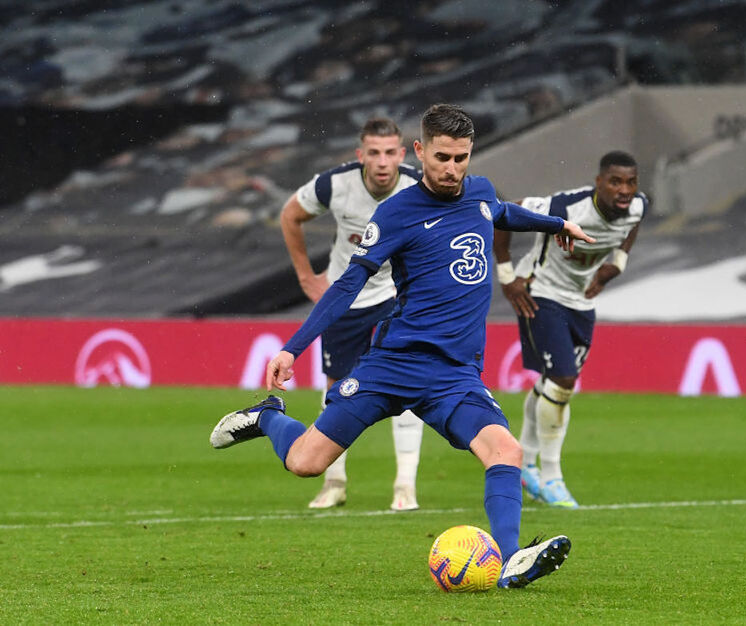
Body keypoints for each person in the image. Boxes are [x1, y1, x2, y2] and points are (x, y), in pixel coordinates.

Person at [210, 103, 592, 588]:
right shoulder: (396, 214)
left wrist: (555, 225)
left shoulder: (478, 191)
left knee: (506, 451)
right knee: (306, 463)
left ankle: (513, 559)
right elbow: (348, 285)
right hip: (392, 364)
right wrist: (293, 347)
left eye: (461, 158)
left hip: (454, 374)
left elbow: (499, 212)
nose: (453, 169)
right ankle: (268, 416)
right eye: (442, 158)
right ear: (420, 151)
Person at [279, 117, 425, 511]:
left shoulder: (420, 187)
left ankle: (404, 487)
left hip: (395, 299)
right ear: (360, 155)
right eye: (373, 153)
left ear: (403, 153)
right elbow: (290, 215)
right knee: (337, 388)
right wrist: (307, 277)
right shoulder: (334, 184)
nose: (382, 161)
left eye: (390, 152)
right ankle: (335, 482)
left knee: (405, 385)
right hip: (344, 300)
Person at [493, 151, 646, 509]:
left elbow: (634, 223)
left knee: (553, 384)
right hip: (541, 294)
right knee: (563, 380)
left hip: (580, 303)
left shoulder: (637, 206)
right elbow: (502, 218)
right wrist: (506, 278)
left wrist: (617, 264)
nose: (624, 190)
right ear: (599, 182)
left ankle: (523, 464)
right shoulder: (564, 207)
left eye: (631, 182)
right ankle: (551, 476)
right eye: (615, 181)